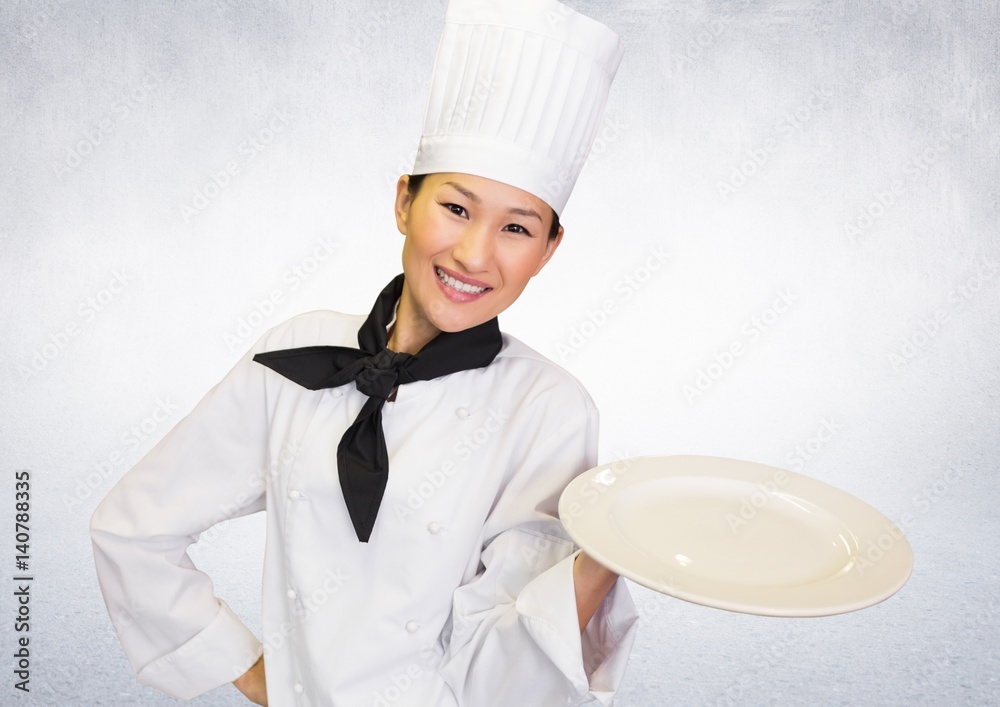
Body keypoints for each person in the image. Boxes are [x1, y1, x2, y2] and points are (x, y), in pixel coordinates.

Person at [90, 1, 639, 705]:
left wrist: (612, 555)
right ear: (405, 201)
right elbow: (133, 528)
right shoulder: (294, 355)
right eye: (457, 209)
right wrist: (258, 675)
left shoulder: (551, 410)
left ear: (548, 249)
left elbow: (508, 674)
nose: (474, 254)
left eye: (517, 227)